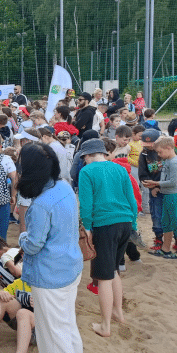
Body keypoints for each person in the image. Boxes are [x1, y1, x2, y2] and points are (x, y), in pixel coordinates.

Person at [15, 142, 84, 353]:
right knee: (67, 331)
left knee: (53, 338)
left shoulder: (42, 204)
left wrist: (21, 238)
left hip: (51, 275)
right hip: (69, 268)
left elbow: (32, 245)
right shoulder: (64, 187)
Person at [78, 138, 137, 338]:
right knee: (114, 271)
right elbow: (131, 198)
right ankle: (117, 313)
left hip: (104, 225)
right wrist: (134, 225)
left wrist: (87, 227)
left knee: (103, 277)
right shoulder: (120, 169)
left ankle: (105, 326)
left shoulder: (86, 171)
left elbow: (86, 204)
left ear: (87, 155)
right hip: (125, 222)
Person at [146, 137, 177, 260]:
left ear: (169, 148)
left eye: (160, 152)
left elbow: (174, 182)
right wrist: (158, 185)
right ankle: (165, 249)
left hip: (174, 196)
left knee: (176, 224)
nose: (159, 155)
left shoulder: (175, 162)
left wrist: (156, 183)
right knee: (166, 223)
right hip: (168, 195)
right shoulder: (169, 161)